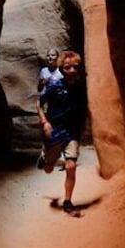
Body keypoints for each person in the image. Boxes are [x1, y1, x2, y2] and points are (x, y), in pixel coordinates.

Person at [36, 50, 88, 213]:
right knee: (48, 169)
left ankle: (67, 202)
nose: (72, 71)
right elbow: (39, 103)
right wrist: (44, 122)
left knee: (71, 165)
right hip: (55, 129)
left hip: (71, 131)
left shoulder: (81, 87)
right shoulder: (54, 85)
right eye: (67, 68)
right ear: (62, 69)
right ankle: (45, 158)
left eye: (75, 67)